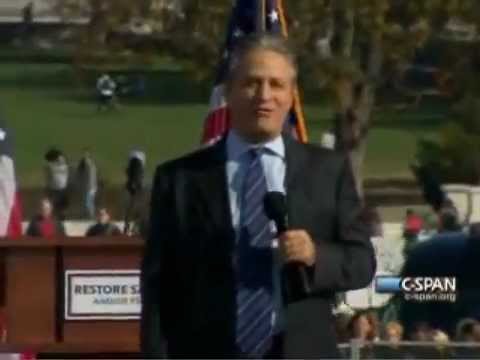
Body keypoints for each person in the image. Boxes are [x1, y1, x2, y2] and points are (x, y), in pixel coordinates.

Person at [140, 34, 376, 359]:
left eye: (277, 85)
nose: (264, 96)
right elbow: (158, 287)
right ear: (229, 92)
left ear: (291, 96)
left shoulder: (328, 171)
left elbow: (362, 262)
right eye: (252, 83)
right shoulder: (180, 179)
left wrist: (316, 256)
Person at [44, 147, 69, 218]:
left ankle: (59, 216)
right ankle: (55, 216)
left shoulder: (60, 166)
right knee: (56, 205)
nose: (61, 160)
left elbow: (53, 166)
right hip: (56, 189)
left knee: (60, 206)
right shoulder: (53, 166)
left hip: (60, 189)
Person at [76, 148, 98, 219]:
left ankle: (90, 216)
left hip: (90, 187)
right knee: (89, 202)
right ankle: (89, 216)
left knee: (88, 203)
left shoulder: (89, 165)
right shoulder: (91, 165)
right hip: (91, 187)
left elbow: (88, 176)